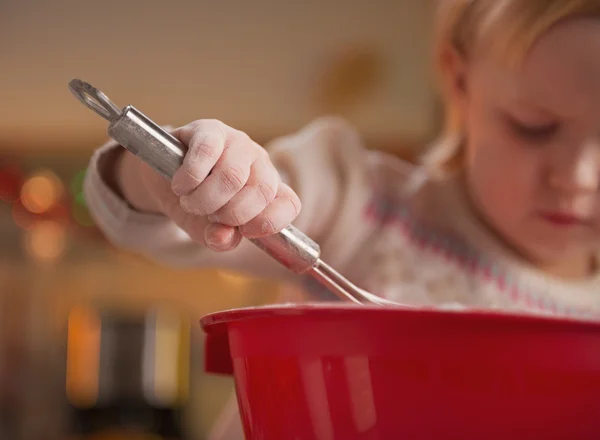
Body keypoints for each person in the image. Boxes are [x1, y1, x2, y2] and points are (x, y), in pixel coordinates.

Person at [83, 0, 600, 437]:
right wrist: (175, 175)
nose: (578, 177)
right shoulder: (360, 202)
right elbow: (150, 216)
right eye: (534, 127)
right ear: (460, 81)